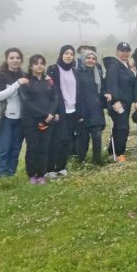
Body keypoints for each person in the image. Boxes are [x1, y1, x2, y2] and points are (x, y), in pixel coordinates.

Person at [19, 54, 59, 184]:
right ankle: (32, 175)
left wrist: (51, 114)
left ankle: (41, 174)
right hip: (31, 121)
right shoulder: (26, 81)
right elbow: (26, 102)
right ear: (31, 66)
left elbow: (55, 98)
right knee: (33, 148)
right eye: (36, 63)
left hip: (47, 120)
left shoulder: (49, 81)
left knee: (44, 148)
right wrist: (43, 115)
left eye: (42, 63)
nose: (39, 65)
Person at [0, 48, 27, 178]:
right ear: (6, 59)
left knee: (16, 148)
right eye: (11, 58)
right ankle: (1, 176)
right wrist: (17, 84)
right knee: (4, 148)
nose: (15, 60)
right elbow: (0, 96)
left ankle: (11, 174)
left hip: (20, 118)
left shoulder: (23, 75)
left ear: (21, 60)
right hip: (5, 117)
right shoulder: (1, 75)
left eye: (17, 58)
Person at [46, 45, 79, 176]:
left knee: (67, 140)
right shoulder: (53, 69)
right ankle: (50, 168)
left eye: (71, 54)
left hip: (73, 111)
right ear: (61, 54)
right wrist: (55, 111)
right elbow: (50, 93)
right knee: (55, 140)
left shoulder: (75, 71)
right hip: (60, 111)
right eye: (66, 53)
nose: (69, 56)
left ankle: (61, 167)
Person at [103, 42, 135, 162]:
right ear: (117, 52)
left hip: (126, 103)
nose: (125, 53)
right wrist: (116, 101)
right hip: (118, 103)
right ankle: (119, 154)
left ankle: (112, 152)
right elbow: (112, 84)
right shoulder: (114, 66)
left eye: (127, 51)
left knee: (119, 128)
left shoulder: (126, 65)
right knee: (123, 128)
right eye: (122, 50)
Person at [75, 49, 106, 165]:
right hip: (82, 108)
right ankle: (81, 160)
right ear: (83, 59)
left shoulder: (97, 72)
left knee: (97, 136)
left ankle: (97, 160)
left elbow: (102, 89)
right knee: (83, 137)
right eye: (88, 58)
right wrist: (79, 111)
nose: (91, 60)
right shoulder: (77, 73)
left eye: (93, 59)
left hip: (96, 109)